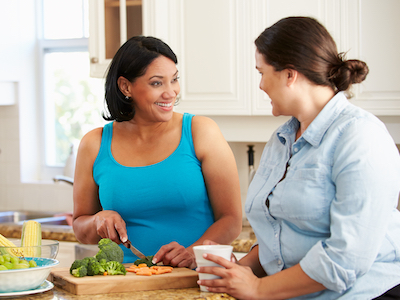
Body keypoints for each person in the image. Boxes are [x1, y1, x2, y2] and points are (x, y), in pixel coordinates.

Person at [196, 16, 400, 299]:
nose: (260, 85)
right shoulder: (282, 140)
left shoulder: (361, 138)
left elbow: (346, 261)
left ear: (289, 75)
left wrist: (257, 287)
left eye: (262, 72)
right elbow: (279, 237)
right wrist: (237, 271)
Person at [72, 36, 242, 269]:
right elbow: (81, 229)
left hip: (194, 279)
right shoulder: (94, 144)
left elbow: (231, 220)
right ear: (125, 87)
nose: (171, 92)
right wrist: (97, 220)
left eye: (174, 80)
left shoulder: (201, 132)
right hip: (126, 281)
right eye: (156, 83)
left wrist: (192, 253)